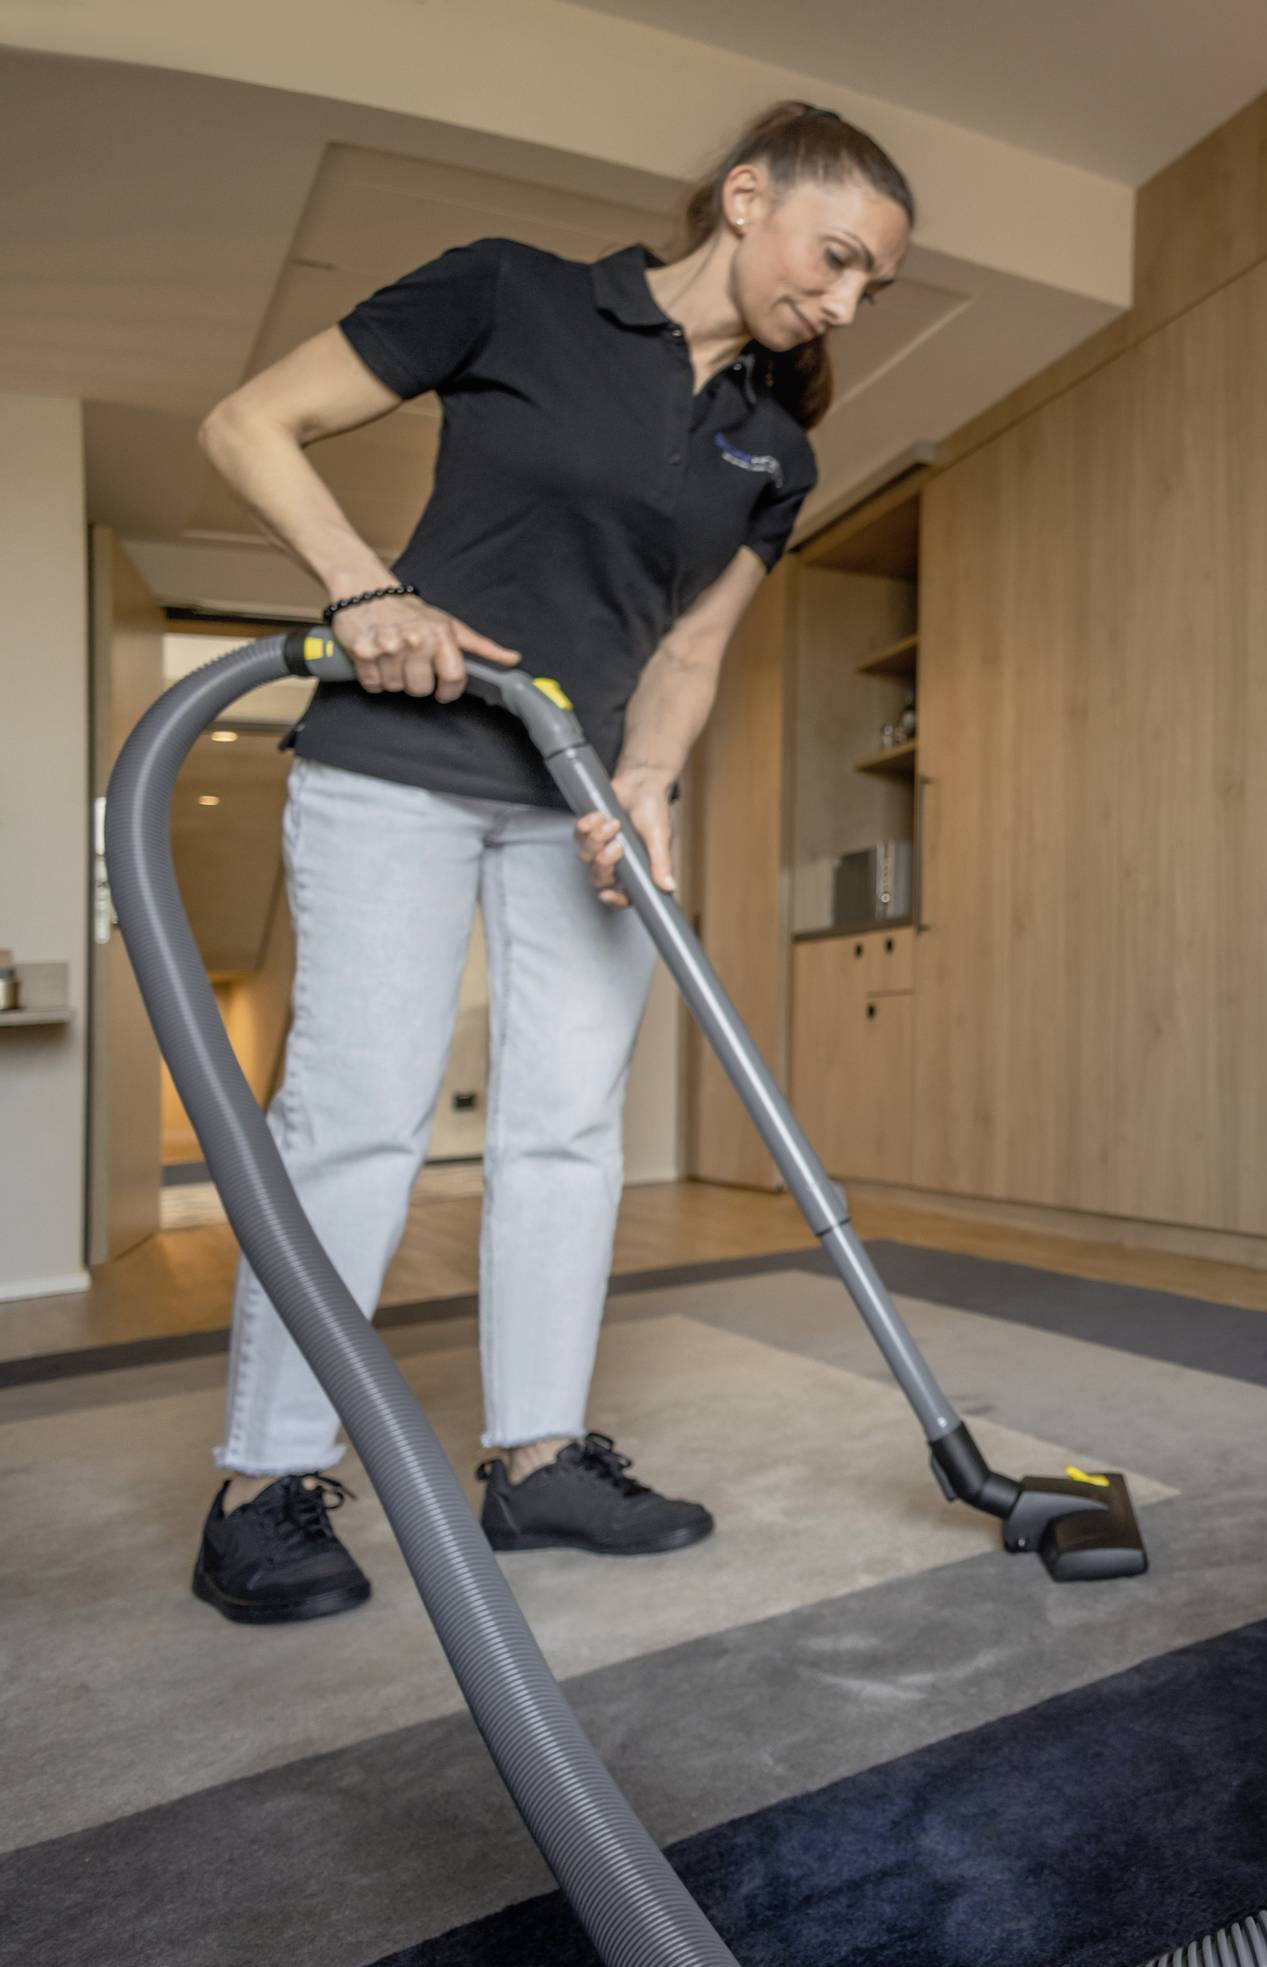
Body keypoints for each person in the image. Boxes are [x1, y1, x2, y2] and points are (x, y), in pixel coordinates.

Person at [185, 103, 914, 1623]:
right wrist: (364, 587)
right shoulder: (514, 291)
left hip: (578, 792)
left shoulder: (775, 447)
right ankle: (263, 1482)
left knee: (571, 1129)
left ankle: (535, 1460)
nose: (844, 303)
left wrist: (648, 778)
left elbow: (693, 650)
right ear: (745, 195)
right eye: (836, 258)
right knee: (356, 1121)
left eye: (871, 288)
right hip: (397, 765)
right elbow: (248, 422)